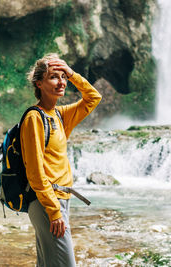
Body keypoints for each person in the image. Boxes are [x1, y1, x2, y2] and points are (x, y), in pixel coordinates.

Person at [20, 53, 102, 267]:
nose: (61, 82)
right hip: (47, 202)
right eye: (54, 77)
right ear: (39, 83)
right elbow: (35, 173)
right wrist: (54, 211)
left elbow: (93, 97)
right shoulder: (34, 118)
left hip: (59, 200)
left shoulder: (60, 115)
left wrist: (73, 74)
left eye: (63, 77)